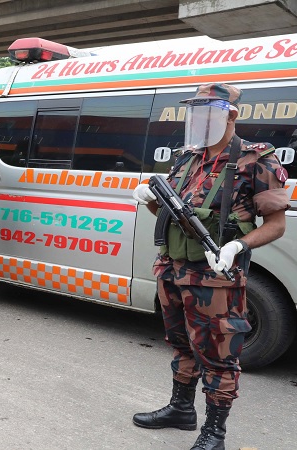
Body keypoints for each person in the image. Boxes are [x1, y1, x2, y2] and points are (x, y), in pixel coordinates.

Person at [131, 83, 288, 450]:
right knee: (181, 343)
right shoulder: (188, 157)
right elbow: (167, 212)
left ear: (230, 114)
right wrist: (149, 199)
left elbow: (276, 224)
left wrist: (237, 245)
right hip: (172, 268)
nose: (199, 117)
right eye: (195, 110)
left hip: (216, 277)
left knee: (219, 354)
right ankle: (181, 409)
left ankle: (214, 432)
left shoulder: (257, 159)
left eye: (208, 110)